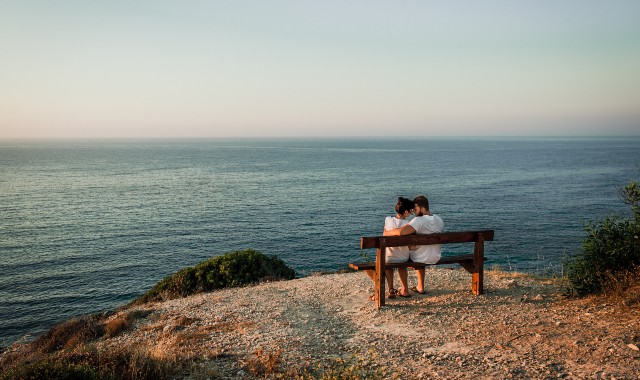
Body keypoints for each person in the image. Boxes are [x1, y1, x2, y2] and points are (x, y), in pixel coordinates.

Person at [383, 195, 444, 295]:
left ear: (423, 209)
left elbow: (401, 232)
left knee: (407, 254)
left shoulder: (418, 220)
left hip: (420, 257)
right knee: (415, 251)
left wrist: (386, 233)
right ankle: (420, 286)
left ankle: (400, 289)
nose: (414, 212)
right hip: (435, 256)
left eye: (415, 209)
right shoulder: (439, 219)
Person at [365, 197, 414, 300]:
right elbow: (410, 245)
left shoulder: (388, 220)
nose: (411, 213)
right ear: (405, 212)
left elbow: (384, 234)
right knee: (402, 266)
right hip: (402, 257)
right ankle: (405, 289)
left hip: (387, 257)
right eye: (410, 211)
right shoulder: (408, 225)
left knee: (388, 264)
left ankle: (391, 289)